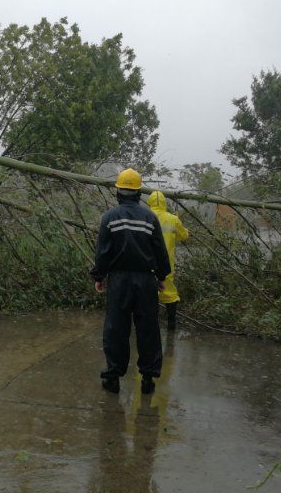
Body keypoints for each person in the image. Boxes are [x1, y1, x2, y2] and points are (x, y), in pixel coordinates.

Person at [90, 168, 171, 395]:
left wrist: (99, 276)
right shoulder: (150, 218)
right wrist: (161, 276)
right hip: (146, 281)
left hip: (119, 281)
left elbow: (103, 253)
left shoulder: (109, 218)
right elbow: (160, 252)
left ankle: (113, 377)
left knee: (116, 328)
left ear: (118, 191)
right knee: (148, 329)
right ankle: (148, 379)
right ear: (138, 193)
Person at [147, 190, 189, 330]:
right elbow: (184, 236)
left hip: (146, 263)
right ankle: (171, 325)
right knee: (169, 294)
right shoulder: (172, 219)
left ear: (149, 202)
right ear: (165, 203)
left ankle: (148, 325)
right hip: (166, 264)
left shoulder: (144, 216)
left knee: (146, 294)